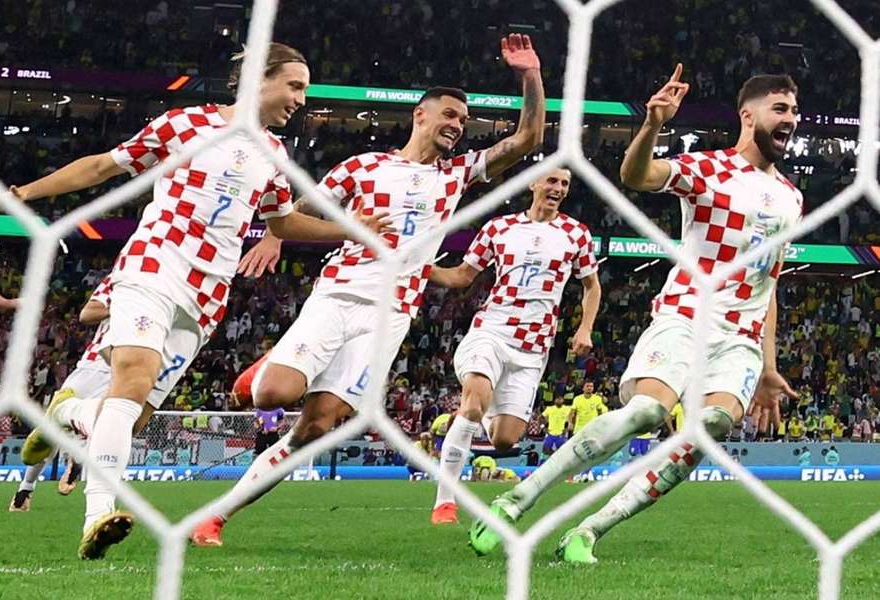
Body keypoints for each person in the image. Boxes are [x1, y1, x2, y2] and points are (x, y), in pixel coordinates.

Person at [0, 42, 383, 560]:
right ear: (259, 78)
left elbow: (281, 221)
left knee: (133, 414)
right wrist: (22, 194)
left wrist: (348, 229)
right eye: (295, 86)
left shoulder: (276, 154)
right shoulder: (185, 125)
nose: (301, 100)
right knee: (133, 379)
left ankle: (71, 414)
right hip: (155, 263)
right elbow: (104, 166)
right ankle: (98, 513)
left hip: (208, 294)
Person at [190, 33, 547, 548]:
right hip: (338, 295)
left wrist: (529, 76)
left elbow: (527, 139)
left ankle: (214, 519)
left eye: (463, 122)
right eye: (448, 115)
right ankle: (261, 373)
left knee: (315, 429)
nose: (456, 126)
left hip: (390, 316)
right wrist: (271, 237)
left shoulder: (455, 176)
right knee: (273, 394)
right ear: (420, 116)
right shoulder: (362, 167)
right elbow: (301, 210)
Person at [468, 68, 803, 563]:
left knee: (710, 426)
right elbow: (636, 176)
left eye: (795, 111)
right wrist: (651, 126)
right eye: (781, 109)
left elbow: (767, 283)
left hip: (742, 338)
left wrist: (770, 368)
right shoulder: (711, 169)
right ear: (747, 115)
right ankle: (517, 499)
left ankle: (590, 530)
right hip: (687, 314)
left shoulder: (793, 199)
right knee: (648, 412)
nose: (791, 119)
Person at [429, 166, 601, 525]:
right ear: (534, 183)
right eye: (552, 180)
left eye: (565, 184)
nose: (558, 188)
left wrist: (585, 328)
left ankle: (483, 412)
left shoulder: (576, 234)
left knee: (505, 439)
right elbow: (463, 275)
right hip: (492, 330)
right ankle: (445, 503)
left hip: (534, 346)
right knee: (472, 404)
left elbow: (591, 286)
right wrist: (420, 268)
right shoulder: (498, 228)